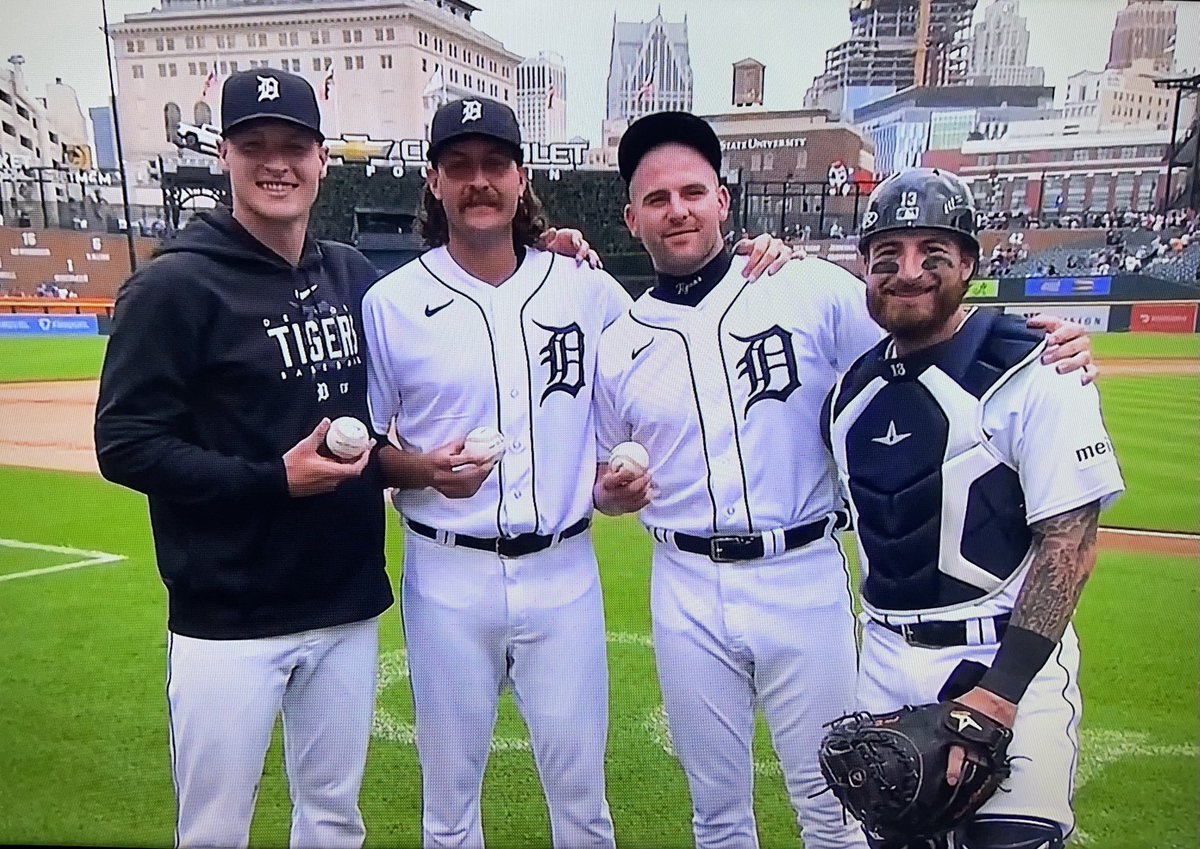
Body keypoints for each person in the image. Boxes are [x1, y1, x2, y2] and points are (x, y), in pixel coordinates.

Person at [93, 72, 606, 849]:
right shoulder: (174, 284)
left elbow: (377, 437)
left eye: (294, 146)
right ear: (225, 155)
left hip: (343, 607)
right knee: (212, 830)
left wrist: (426, 467)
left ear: (322, 159)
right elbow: (124, 442)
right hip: (229, 616)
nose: (277, 164)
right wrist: (274, 479)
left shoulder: (351, 279)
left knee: (333, 821)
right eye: (255, 146)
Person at [589, 115, 1095, 849]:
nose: (678, 209)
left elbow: (922, 329)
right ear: (633, 218)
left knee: (840, 802)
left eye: (693, 191)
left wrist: (1040, 345)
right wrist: (612, 495)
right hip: (683, 582)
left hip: (801, 574)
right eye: (658, 198)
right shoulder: (620, 341)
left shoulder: (808, 289)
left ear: (723, 201)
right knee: (716, 807)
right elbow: (606, 476)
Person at [360, 96, 793, 849]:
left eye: (495, 164)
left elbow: (671, 354)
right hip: (446, 574)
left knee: (583, 805)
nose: (479, 181)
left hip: (563, 574)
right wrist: (421, 468)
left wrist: (769, 264)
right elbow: (365, 444)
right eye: (459, 167)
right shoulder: (391, 301)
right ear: (433, 182)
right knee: (449, 809)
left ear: (522, 177)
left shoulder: (586, 290)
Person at [822, 167, 1125, 849]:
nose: (908, 273)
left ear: (968, 263)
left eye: (933, 254)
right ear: (864, 270)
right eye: (886, 257)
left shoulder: (1038, 369)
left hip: (1004, 654)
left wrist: (1000, 692)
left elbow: (1069, 546)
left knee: (1014, 840)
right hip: (888, 662)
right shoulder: (848, 395)